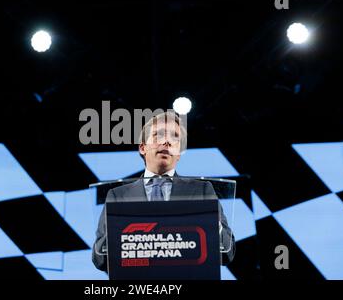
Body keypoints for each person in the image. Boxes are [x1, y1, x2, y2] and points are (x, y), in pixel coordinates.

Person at [92, 111, 235, 272]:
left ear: (179, 153)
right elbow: (100, 258)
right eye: (158, 135)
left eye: (174, 137)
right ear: (142, 147)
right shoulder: (118, 196)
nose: (166, 141)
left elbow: (227, 252)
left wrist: (209, 222)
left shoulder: (202, 190)